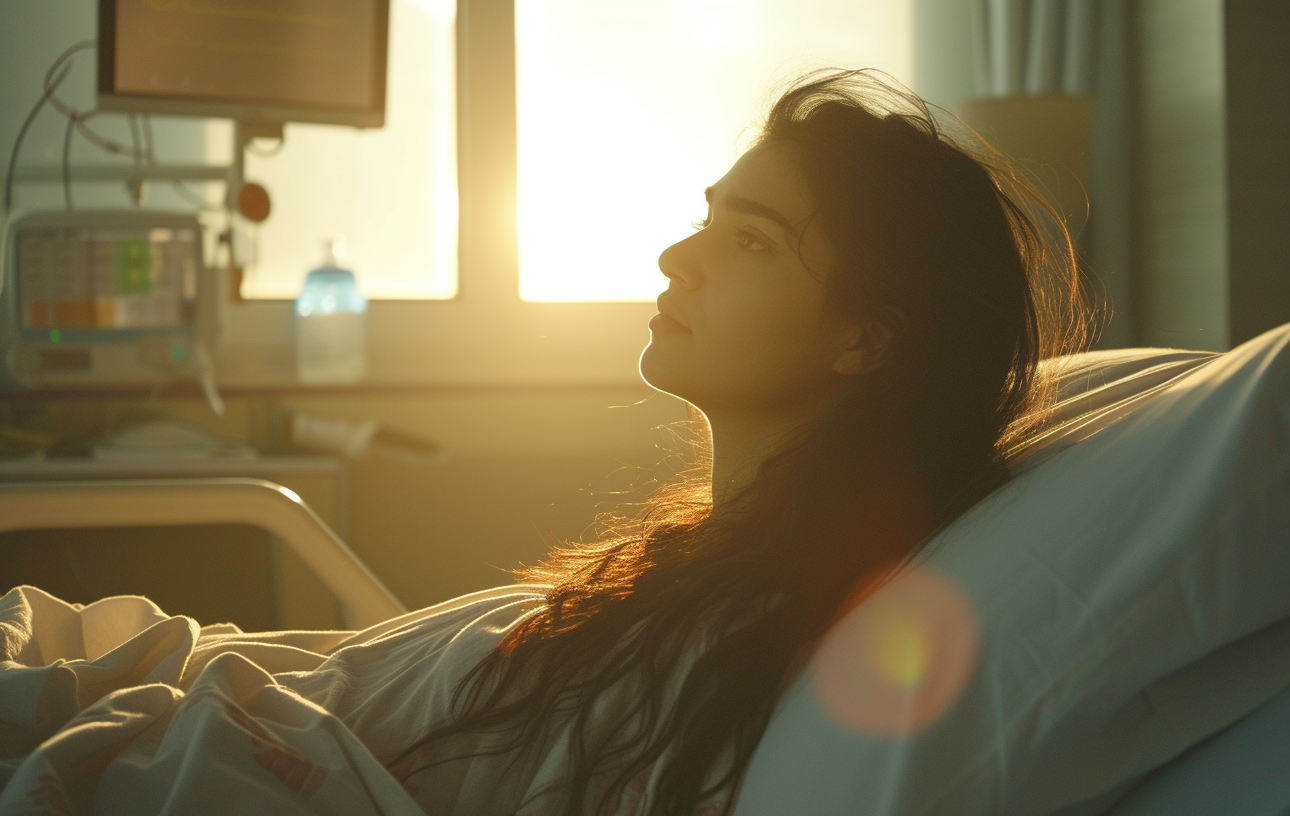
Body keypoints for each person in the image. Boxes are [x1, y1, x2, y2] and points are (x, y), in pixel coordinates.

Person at [390, 68, 1092, 815]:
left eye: (751, 241)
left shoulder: (756, 641)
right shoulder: (699, 571)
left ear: (862, 338)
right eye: (707, 223)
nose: (675, 259)